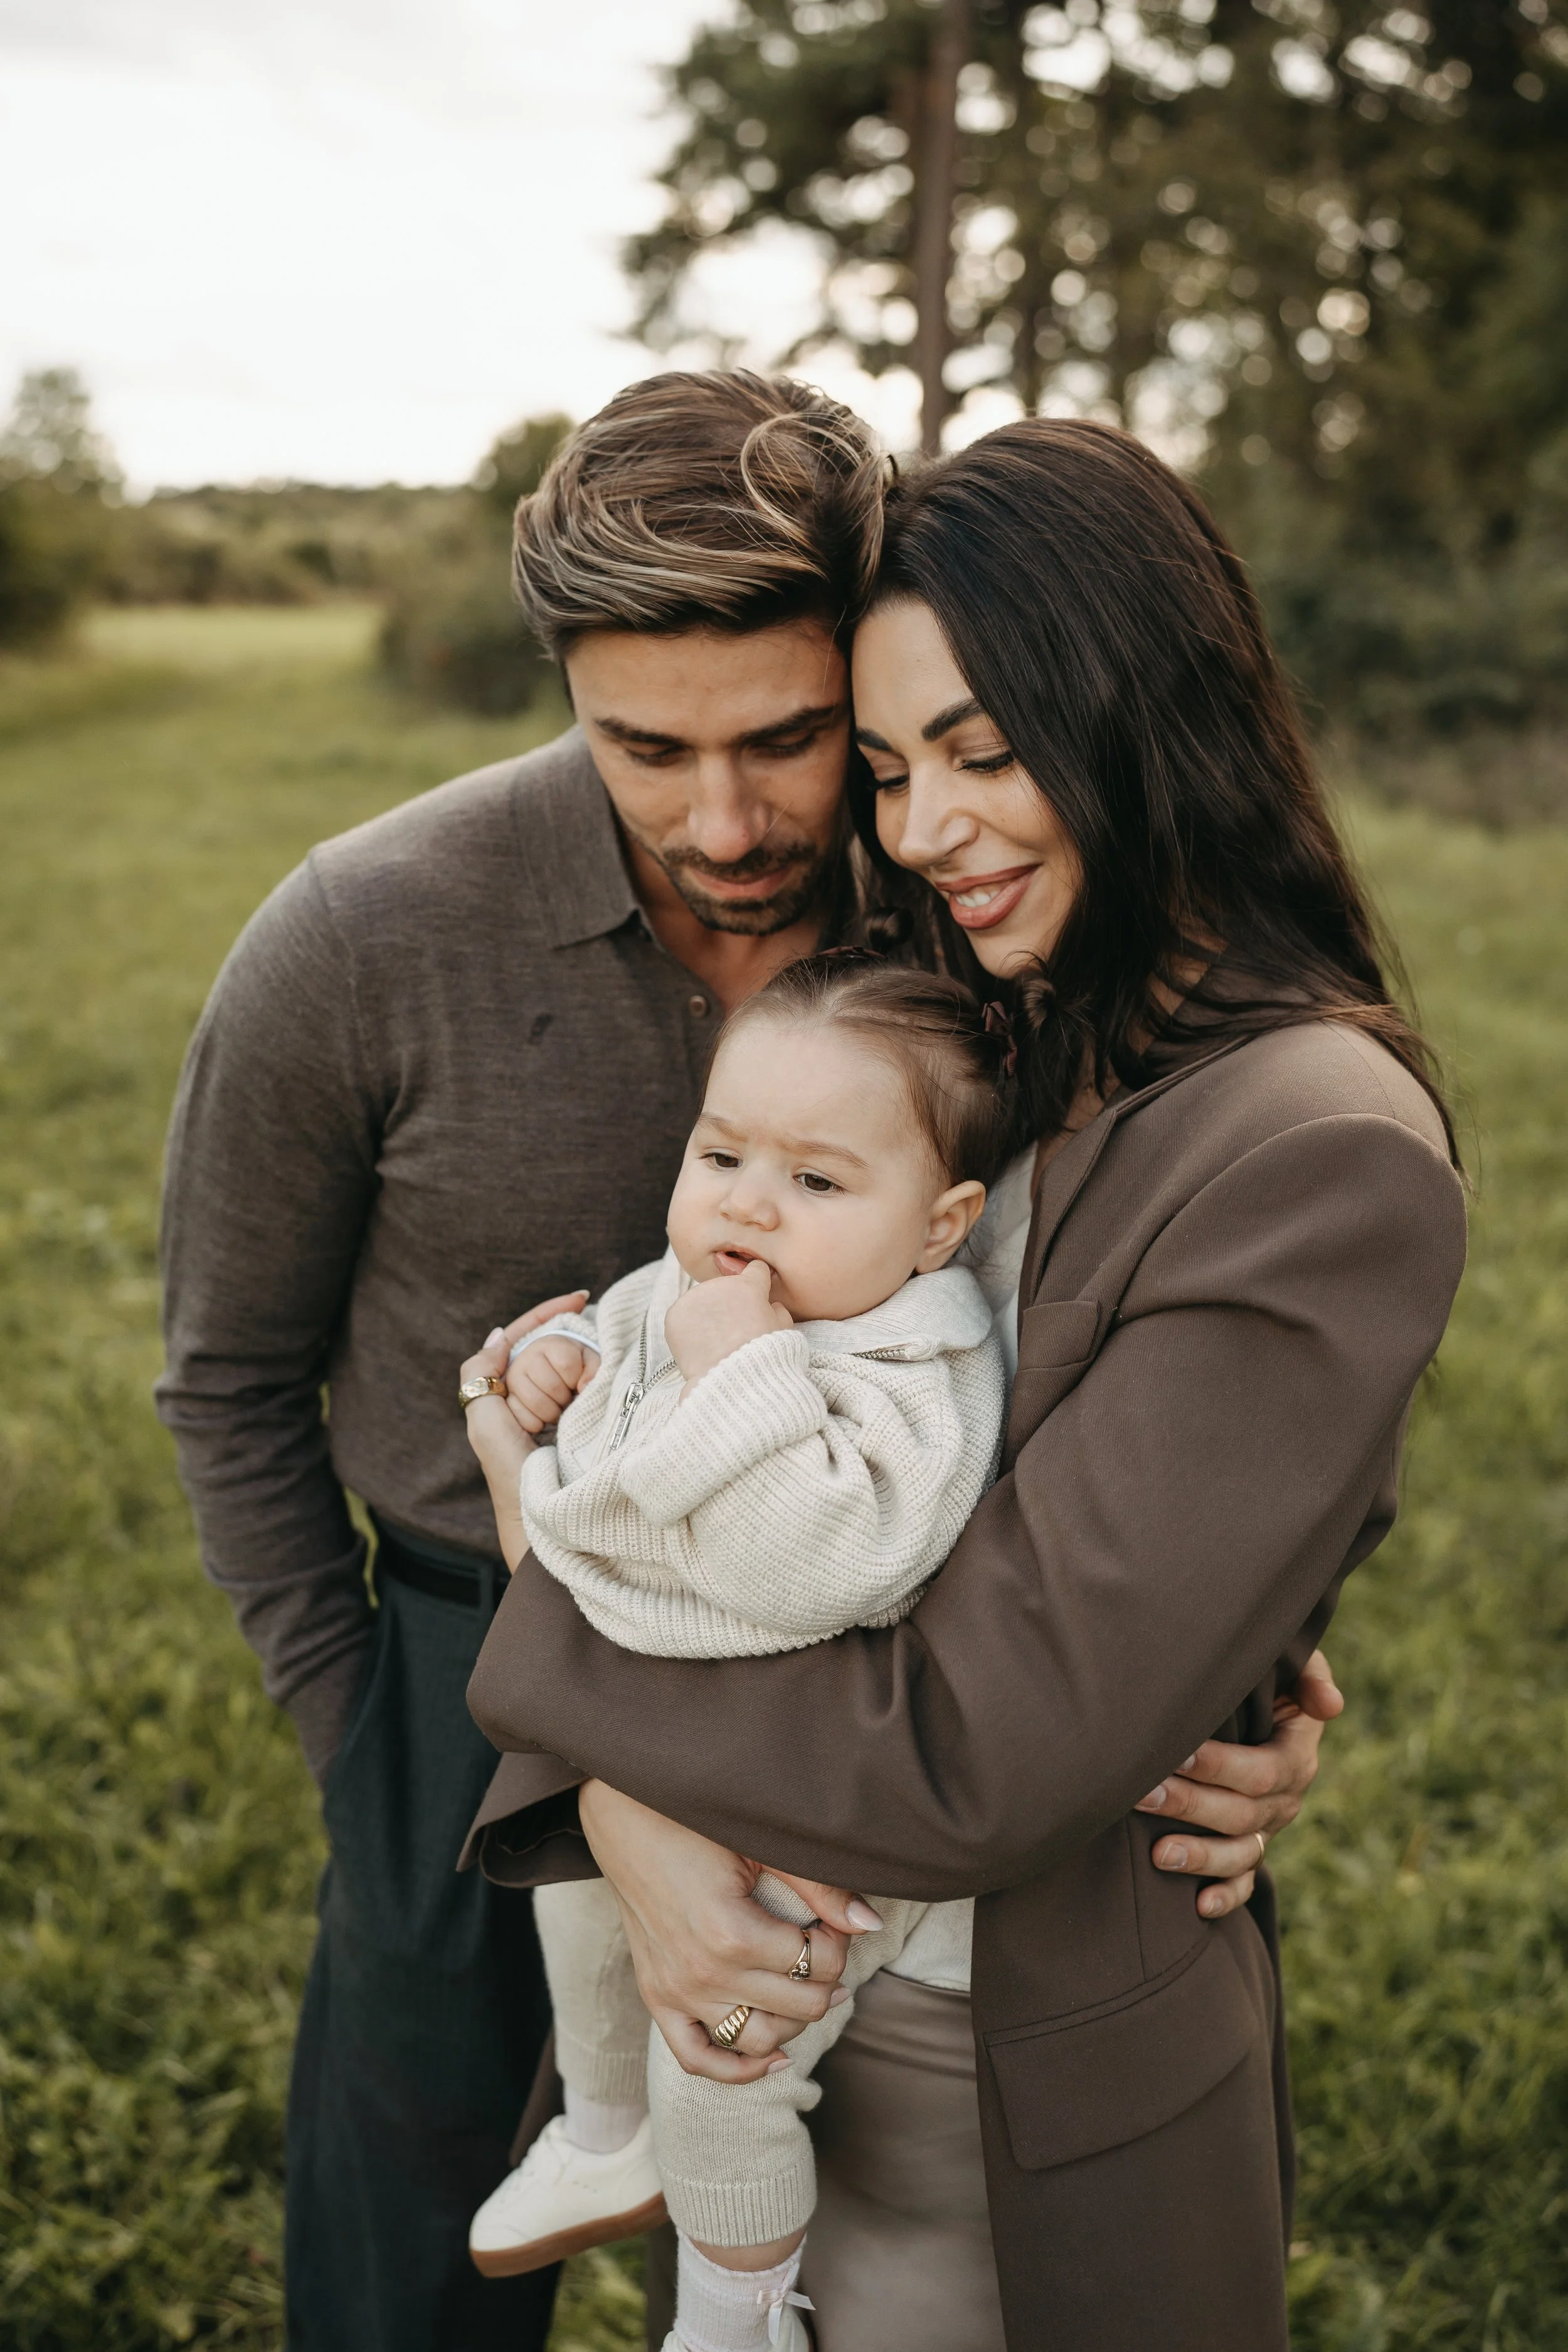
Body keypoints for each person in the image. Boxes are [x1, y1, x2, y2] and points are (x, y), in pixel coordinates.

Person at [155, 372, 1339, 2352]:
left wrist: (1237, 1655)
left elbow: (1129, 1330)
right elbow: (226, 1380)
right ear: (563, 691)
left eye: (793, 739)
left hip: (897, 1657)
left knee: (855, 2236)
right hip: (478, 1666)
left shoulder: (965, 910)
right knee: (413, 2247)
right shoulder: (358, 937)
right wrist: (364, 1737)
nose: (728, 821)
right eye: (643, 747)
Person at [462, 415, 1470, 2351]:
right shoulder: (985, 1010)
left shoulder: (1312, 1142)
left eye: (989, 755)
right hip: (769, 2005)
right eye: (896, 763)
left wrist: (560, 1646)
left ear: (1149, 714)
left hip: (994, 2082)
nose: (926, 829)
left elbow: (977, 1747)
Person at [461, 959, 1015, 2346]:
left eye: (819, 1183)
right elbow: (626, 1343)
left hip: (811, 1791)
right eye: (720, 1153)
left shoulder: (916, 1366)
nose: (748, 1203)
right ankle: (599, 2131)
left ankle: (734, 2311)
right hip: (658, 1723)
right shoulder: (702, 1286)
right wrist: (567, 1359)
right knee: (572, 1889)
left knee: (727, 2046)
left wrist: (738, 1372)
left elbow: (832, 1558)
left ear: (941, 1227)